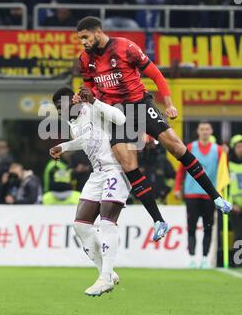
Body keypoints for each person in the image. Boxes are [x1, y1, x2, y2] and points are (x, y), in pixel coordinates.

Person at [75, 16, 231, 236]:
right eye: (80, 38)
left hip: (140, 104)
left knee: (176, 147)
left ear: (97, 32)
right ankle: (158, 220)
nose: (82, 42)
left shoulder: (125, 47)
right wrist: (82, 97)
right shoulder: (85, 59)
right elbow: (89, 87)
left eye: (85, 37)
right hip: (116, 114)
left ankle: (215, 196)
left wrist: (169, 104)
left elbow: (156, 74)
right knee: (129, 165)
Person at [50, 86, 132, 296]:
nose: (60, 111)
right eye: (57, 109)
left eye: (62, 105)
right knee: (81, 226)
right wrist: (64, 146)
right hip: (98, 173)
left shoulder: (91, 107)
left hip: (116, 168)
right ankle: (107, 273)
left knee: (106, 222)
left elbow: (121, 119)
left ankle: (104, 278)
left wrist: (95, 101)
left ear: (74, 100)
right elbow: (86, 141)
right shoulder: (73, 123)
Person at [174, 122, 223, 268]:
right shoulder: (190, 147)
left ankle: (205, 258)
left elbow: (223, 172)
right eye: (202, 129)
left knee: (208, 227)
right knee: (192, 226)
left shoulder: (218, 150)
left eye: (207, 129)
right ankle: (192, 257)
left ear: (211, 131)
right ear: (198, 131)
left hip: (209, 195)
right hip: (191, 194)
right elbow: (181, 170)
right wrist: (177, 188)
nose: (205, 132)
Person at [229, 135, 242, 245]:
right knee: (238, 236)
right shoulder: (228, 165)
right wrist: (231, 204)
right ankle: (238, 261)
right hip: (235, 207)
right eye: (238, 146)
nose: (241, 149)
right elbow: (226, 188)